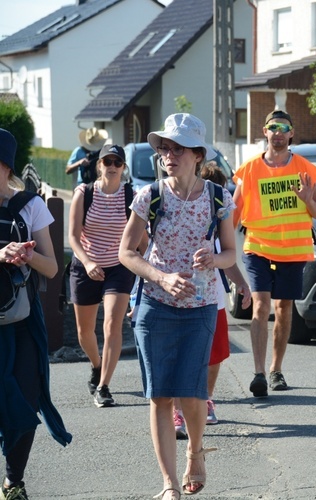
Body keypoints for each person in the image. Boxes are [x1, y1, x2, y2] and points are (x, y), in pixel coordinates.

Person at [119, 113, 236, 500]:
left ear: (198, 155)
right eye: (164, 148)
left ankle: (195, 454)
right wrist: (160, 276)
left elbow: (231, 254)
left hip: (202, 305)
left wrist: (213, 258)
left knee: (193, 392)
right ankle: (169, 484)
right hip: (155, 306)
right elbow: (126, 253)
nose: (169, 154)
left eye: (178, 148)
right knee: (159, 395)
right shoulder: (149, 196)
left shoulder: (219, 197)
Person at [232, 110, 316, 397]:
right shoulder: (249, 169)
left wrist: (308, 200)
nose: (278, 133)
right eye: (273, 127)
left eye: (284, 128)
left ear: (291, 133)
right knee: (260, 306)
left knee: (284, 309)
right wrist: (219, 247)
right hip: (258, 247)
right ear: (265, 131)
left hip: (293, 250)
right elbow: (234, 213)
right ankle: (259, 373)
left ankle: (276, 370)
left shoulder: (304, 168)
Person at [0, 128, 72, 500]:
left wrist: (27, 255)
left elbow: (52, 268)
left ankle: (13, 482)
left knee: (26, 398)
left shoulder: (30, 205)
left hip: (22, 320)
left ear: (6, 166)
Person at [173, 162, 251, 437]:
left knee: (214, 355)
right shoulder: (173, 207)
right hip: (178, 295)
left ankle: (205, 399)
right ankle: (178, 411)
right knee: (180, 356)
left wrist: (241, 283)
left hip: (213, 297)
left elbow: (226, 255)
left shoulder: (219, 219)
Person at [68, 143, 136, 408]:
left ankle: (104, 386)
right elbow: (73, 237)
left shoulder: (131, 195)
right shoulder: (84, 193)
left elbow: (141, 240)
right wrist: (87, 262)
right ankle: (97, 366)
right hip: (85, 265)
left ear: (123, 167)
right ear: (99, 165)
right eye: (107, 161)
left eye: (117, 163)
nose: (112, 167)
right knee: (84, 332)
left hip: (118, 268)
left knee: (111, 325)